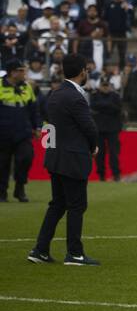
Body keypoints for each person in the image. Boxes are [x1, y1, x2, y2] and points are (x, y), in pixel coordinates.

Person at [28, 54, 100, 266]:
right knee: (76, 205)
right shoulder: (76, 97)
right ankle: (74, 253)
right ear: (82, 71)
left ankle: (40, 249)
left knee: (57, 204)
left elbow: (49, 126)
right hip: (73, 158)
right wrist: (93, 147)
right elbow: (89, 127)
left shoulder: (55, 94)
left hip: (55, 157)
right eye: (86, 70)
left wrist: (50, 151)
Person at [0, 60, 38, 202]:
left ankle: (19, 188)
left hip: (23, 132)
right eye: (22, 70)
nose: (25, 73)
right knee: (2, 164)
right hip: (3, 133)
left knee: (26, 158)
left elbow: (34, 110)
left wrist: (37, 127)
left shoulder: (27, 87)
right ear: (13, 72)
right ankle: (2, 192)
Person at [89, 79, 123, 181]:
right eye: (103, 86)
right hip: (99, 129)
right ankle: (101, 175)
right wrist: (108, 105)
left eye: (107, 85)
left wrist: (103, 106)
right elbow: (93, 106)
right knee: (99, 154)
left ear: (110, 86)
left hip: (113, 129)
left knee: (114, 154)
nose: (105, 87)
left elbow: (118, 108)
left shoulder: (115, 96)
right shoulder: (94, 95)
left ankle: (116, 174)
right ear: (100, 86)